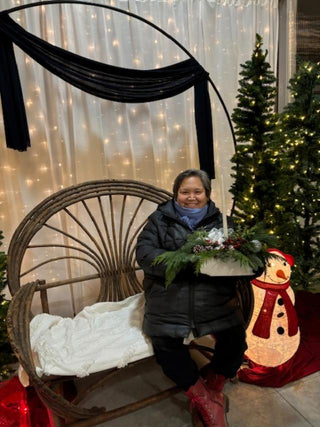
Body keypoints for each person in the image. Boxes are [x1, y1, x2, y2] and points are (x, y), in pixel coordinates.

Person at [136, 169, 249, 427]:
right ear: (176, 194)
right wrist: (185, 263)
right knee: (165, 344)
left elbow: (242, 255)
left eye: (197, 191)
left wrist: (245, 263)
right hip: (169, 293)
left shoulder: (222, 222)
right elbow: (144, 254)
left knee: (235, 340)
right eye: (184, 192)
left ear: (207, 194)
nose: (191, 197)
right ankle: (202, 398)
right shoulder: (159, 220)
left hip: (212, 295)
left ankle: (215, 385)